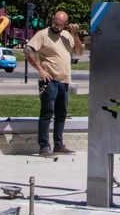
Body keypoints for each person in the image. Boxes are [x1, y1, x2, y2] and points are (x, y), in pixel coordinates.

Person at [25, 10, 83, 158]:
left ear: (65, 25)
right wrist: (40, 70)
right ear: (52, 19)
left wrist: (75, 35)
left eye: (60, 24)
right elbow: (28, 50)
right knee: (47, 112)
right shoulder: (42, 35)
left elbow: (79, 52)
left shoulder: (67, 36)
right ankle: (44, 147)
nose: (56, 26)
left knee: (61, 114)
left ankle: (58, 144)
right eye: (55, 22)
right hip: (49, 80)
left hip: (64, 81)